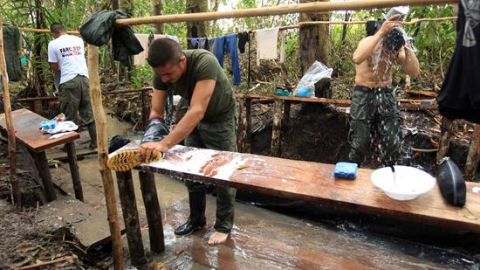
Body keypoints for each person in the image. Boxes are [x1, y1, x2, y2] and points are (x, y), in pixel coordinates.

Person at [140, 38, 237, 245]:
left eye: (168, 74)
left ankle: (223, 225)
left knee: (223, 171)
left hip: (219, 116)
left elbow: (197, 110)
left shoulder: (205, 62)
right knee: (192, 170)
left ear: (182, 61)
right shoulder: (161, 72)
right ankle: (197, 219)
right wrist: (151, 139)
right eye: (160, 75)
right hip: (192, 116)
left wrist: (165, 144)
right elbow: (156, 111)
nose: (164, 80)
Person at [348, 14, 420, 166]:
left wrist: (407, 46)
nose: (389, 54)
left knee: (392, 141)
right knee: (360, 141)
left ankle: (390, 172)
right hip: (363, 92)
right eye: (387, 49)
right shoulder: (369, 42)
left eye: (393, 52)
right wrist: (381, 32)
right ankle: (353, 170)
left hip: (385, 93)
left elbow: (413, 72)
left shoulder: (397, 47)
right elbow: (357, 58)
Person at [48, 23, 96, 149]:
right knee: (88, 112)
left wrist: (62, 66)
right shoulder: (78, 40)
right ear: (64, 30)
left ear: (53, 33)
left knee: (69, 115)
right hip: (84, 79)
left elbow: (54, 67)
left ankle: (70, 148)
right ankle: (95, 142)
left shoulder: (53, 44)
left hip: (69, 81)